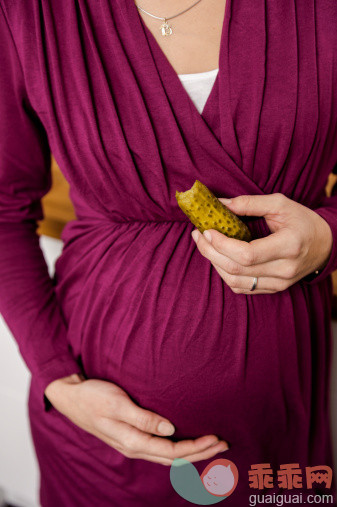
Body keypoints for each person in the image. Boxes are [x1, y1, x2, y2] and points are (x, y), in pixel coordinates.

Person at [0, 0, 337, 505]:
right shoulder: (28, 12)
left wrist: (328, 238)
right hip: (96, 442)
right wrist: (55, 379)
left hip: (275, 426)